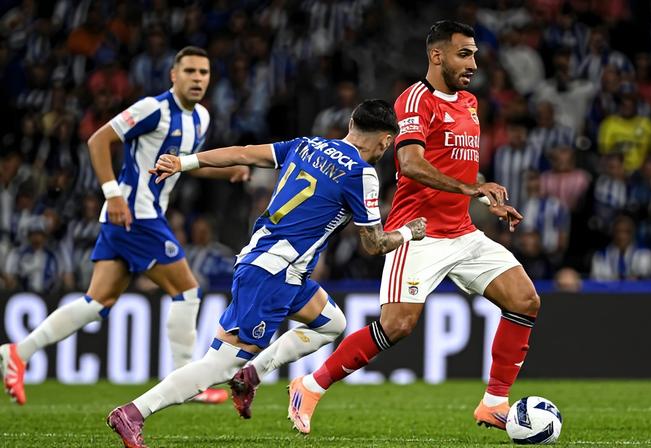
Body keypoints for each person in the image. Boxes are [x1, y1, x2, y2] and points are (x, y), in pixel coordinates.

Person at [267, 20, 539, 435]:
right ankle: (310, 384)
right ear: (436, 55)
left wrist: (486, 191)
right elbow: (410, 163)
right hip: (419, 232)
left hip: (463, 232)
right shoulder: (414, 101)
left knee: (524, 301)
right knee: (397, 326)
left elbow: (456, 164)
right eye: (463, 54)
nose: (473, 63)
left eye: (474, 55)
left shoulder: (469, 102)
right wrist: (474, 188)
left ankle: (494, 403)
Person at [106, 100, 427, 447]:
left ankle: (251, 376)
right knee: (218, 365)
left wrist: (184, 162)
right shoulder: (362, 174)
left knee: (332, 323)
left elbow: (243, 153)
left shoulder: (307, 145)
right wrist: (411, 232)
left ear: (351, 124)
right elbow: (375, 244)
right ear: (385, 141)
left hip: (283, 270)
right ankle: (134, 412)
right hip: (273, 274)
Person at [0, 46, 249, 406]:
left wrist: (228, 169)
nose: (197, 79)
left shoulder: (202, 119)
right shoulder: (153, 108)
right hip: (134, 214)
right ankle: (187, 382)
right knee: (188, 290)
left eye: (204, 73)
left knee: (97, 302)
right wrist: (112, 194)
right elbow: (98, 140)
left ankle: (19, 353)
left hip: (139, 217)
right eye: (190, 71)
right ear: (173, 75)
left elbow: (184, 163)